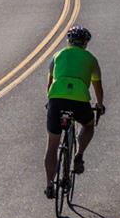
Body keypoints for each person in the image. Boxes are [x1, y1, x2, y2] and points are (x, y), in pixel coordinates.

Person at [43, 24, 106, 197]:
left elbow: (50, 83)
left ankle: (49, 185)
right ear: (85, 43)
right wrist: (99, 105)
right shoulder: (91, 59)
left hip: (56, 100)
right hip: (79, 101)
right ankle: (78, 156)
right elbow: (97, 87)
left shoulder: (57, 56)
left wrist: (50, 101)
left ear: (69, 41)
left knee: (52, 145)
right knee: (88, 125)